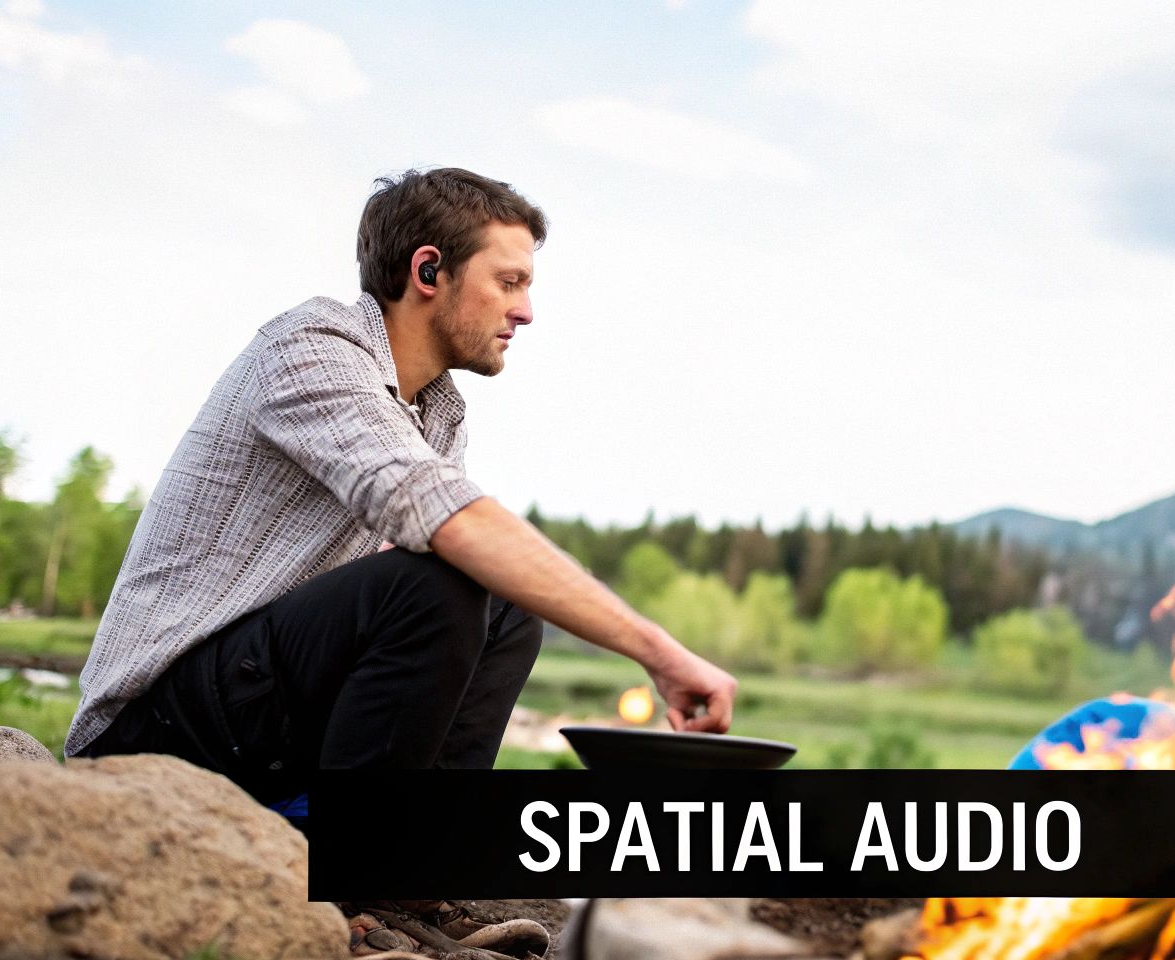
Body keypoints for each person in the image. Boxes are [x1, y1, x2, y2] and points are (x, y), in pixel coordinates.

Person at [65, 168, 738, 813]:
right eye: (508, 282)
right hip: (149, 733)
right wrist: (657, 651)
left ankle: (417, 865)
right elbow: (445, 520)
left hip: (256, 726)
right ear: (426, 271)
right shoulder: (310, 347)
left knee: (501, 601)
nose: (526, 311)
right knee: (437, 583)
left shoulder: (438, 413)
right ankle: (363, 866)